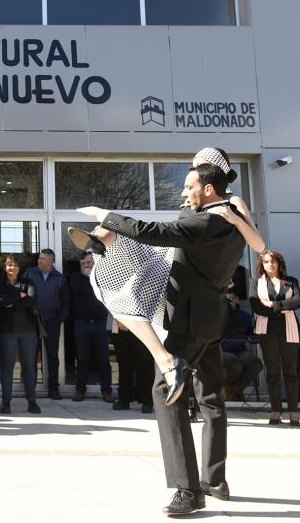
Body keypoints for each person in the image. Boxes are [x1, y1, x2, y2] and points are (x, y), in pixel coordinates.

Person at [79, 157, 248, 515]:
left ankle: (188, 490)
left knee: (164, 390)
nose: (184, 193)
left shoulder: (201, 221)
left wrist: (105, 215)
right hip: (212, 320)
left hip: (187, 322)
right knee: (212, 399)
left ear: (209, 189)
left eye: (189, 187)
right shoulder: (235, 221)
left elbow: (151, 230)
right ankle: (215, 479)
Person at [71, 148, 265, 407]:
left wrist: (235, 220)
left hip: (180, 259)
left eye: (198, 166)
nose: (192, 171)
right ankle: (100, 240)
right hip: (177, 254)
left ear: (212, 173)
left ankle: (165, 359)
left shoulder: (230, 204)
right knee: (123, 293)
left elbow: (259, 244)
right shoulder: (195, 199)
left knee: (128, 292)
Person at [249, 250, 300, 426]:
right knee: (272, 372)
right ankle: (276, 410)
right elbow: (256, 306)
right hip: (267, 332)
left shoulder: (291, 281)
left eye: (273, 261)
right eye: (266, 262)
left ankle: (293, 411)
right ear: (262, 265)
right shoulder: (256, 282)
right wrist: (283, 308)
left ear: (279, 263)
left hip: (290, 330)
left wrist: (273, 305)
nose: (270, 265)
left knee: (291, 372)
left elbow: (298, 302)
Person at [0, 255, 40, 414]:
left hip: (28, 330)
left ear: (19, 268)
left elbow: (32, 300)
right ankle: (6, 402)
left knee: (28, 366)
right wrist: (19, 296)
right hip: (6, 330)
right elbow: (0, 302)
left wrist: (11, 303)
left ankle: (32, 401)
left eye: (14, 265)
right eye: (8, 265)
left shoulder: (28, 282)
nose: (11, 268)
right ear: (5, 267)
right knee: (6, 367)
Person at [22, 248, 69, 400]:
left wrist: (59, 319)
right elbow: (20, 293)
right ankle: (30, 390)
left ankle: (53, 389)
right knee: (31, 357)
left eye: (43, 259)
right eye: (39, 258)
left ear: (51, 261)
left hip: (52, 322)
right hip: (31, 322)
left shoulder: (59, 278)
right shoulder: (29, 273)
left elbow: (66, 302)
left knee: (52, 357)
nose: (39, 260)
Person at [69, 252, 113, 403]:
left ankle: (106, 391)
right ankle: (80, 390)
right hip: (82, 323)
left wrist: (92, 279)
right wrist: (93, 282)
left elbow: (105, 291)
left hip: (101, 323)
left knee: (103, 359)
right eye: (83, 264)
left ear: (94, 263)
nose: (85, 266)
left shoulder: (103, 275)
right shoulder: (75, 277)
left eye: (88, 263)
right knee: (82, 359)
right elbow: (80, 289)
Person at [220, 288, 263, 404]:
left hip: (240, 350)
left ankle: (234, 389)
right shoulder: (218, 317)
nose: (228, 302)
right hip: (223, 350)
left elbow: (251, 334)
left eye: (231, 299)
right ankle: (232, 391)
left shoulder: (245, 316)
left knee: (256, 363)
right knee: (236, 365)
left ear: (237, 300)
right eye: (226, 300)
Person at [111, 315, 154, 413]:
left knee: (145, 366)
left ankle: (147, 402)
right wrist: (119, 318)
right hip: (121, 326)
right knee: (124, 365)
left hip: (143, 326)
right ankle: (123, 400)